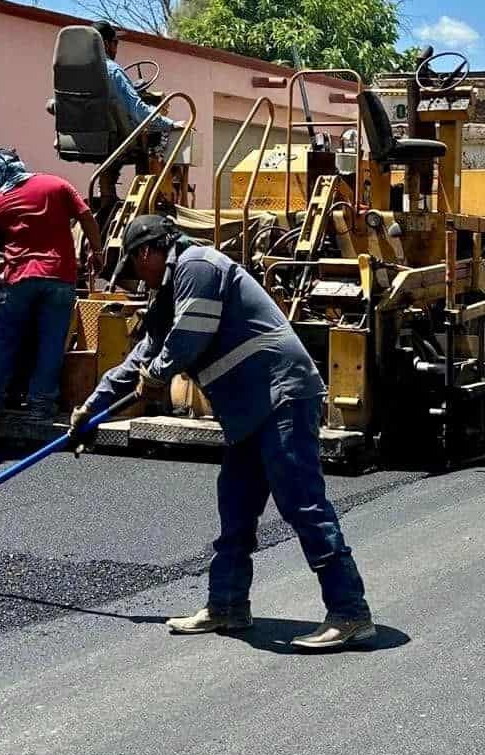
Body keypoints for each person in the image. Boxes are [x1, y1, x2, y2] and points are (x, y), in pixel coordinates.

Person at [69, 215, 374, 650]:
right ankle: (227, 604)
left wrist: (156, 376)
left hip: (280, 395)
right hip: (248, 409)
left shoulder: (198, 266)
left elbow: (189, 337)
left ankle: (350, 612)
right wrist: (89, 410)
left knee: (302, 503)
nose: (139, 280)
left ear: (147, 252)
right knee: (235, 507)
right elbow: (139, 360)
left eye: (136, 268)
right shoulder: (171, 293)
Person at [0, 147, 104, 420]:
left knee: (4, 340)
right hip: (59, 276)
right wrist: (97, 252)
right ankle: (39, 405)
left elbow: (0, 242)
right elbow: (86, 216)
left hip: (18, 280)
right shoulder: (56, 184)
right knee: (50, 342)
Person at [92, 20, 182, 154]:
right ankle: (164, 171)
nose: (116, 49)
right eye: (115, 43)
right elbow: (137, 110)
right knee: (164, 130)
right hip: (116, 137)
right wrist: (170, 124)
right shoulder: (112, 71)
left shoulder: (74, 72)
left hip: (88, 135)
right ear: (106, 44)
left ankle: (111, 172)